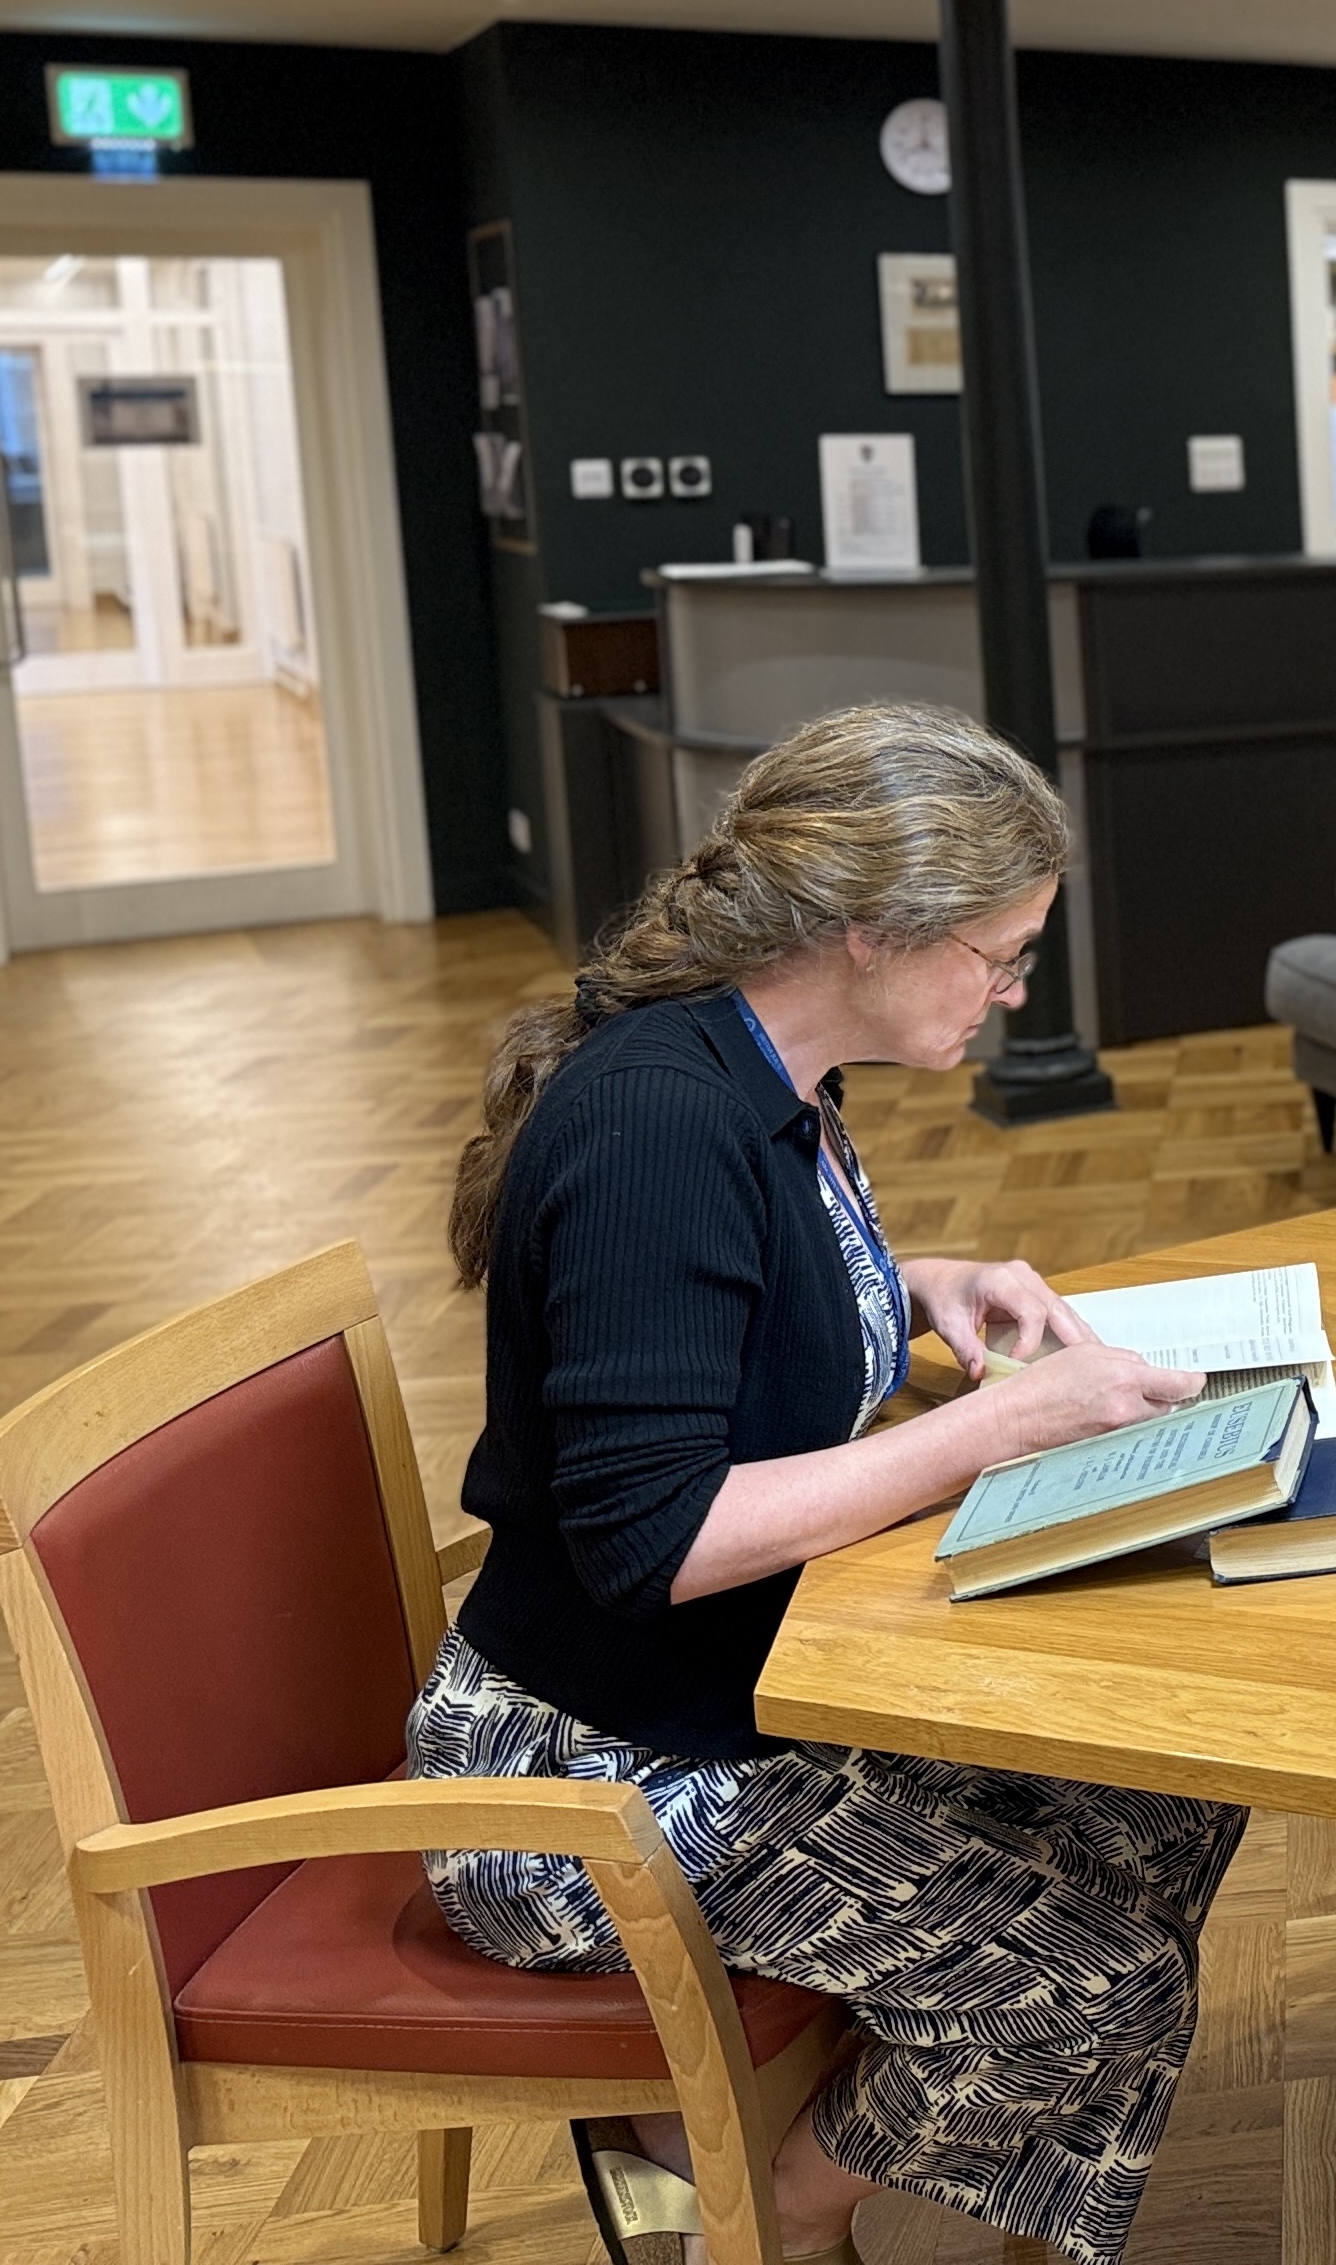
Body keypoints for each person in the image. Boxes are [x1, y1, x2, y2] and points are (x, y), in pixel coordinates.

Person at [421, 701, 1232, 2265]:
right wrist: (999, 1428)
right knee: (1098, 1977)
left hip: (726, 1690)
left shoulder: (768, 1075)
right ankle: (747, 2218)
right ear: (870, 932)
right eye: (997, 956)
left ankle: (745, 2157)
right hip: (586, 1785)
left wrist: (907, 1279)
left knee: (1164, 1792)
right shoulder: (661, 1125)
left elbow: (717, 1323)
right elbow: (655, 1539)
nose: (1011, 991)